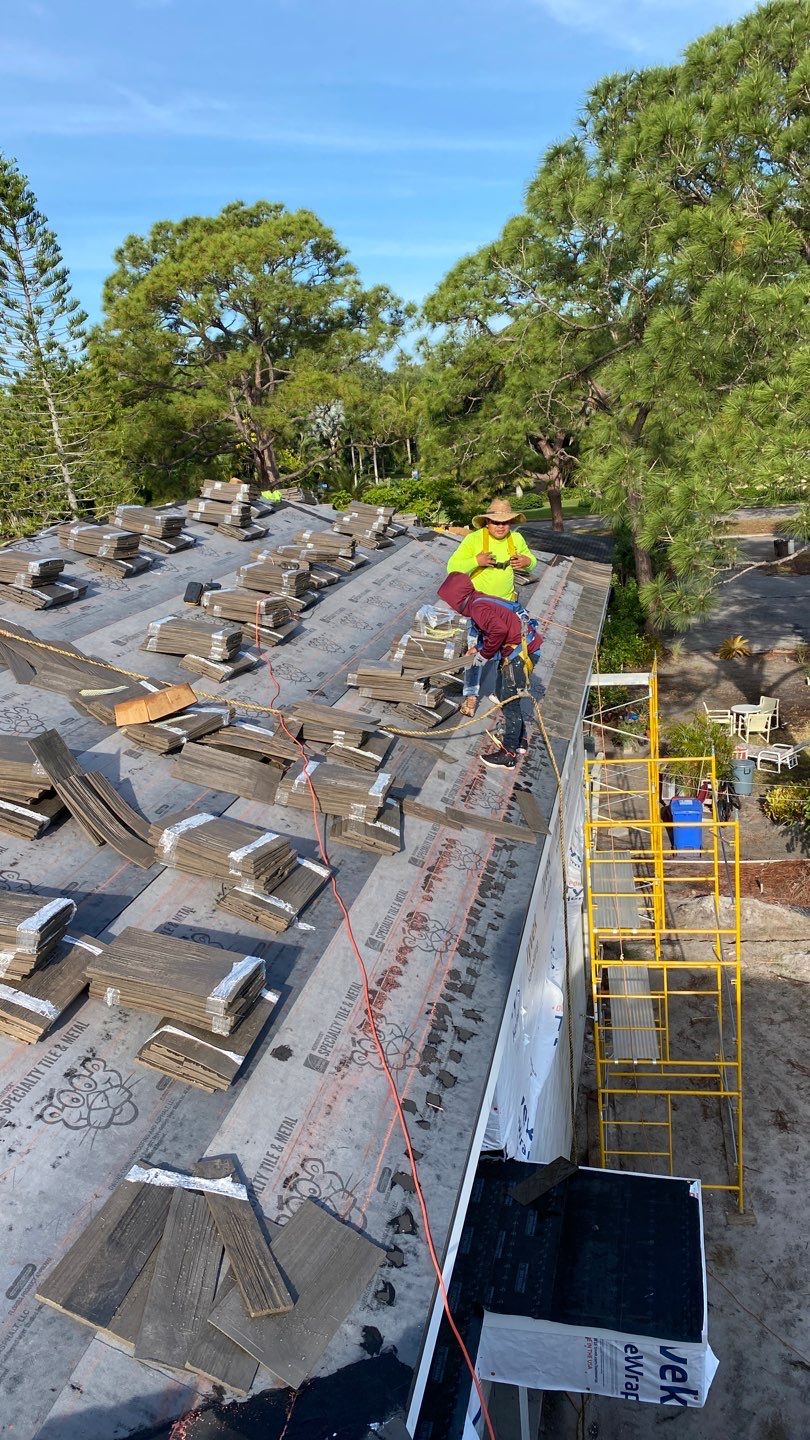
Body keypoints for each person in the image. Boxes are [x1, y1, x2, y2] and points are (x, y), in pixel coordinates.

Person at [437, 572, 542, 770]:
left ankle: (509, 754)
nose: (451, 607)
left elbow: (499, 631)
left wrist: (485, 654)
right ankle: (519, 740)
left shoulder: (478, 608)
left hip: (520, 654)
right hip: (518, 649)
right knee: (502, 693)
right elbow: (495, 628)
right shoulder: (479, 599)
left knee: (509, 701)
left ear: (458, 599)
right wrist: (478, 648)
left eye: (451, 603)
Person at [446, 498, 537, 715]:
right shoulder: (474, 540)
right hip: (481, 611)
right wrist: (475, 561)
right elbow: (452, 568)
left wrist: (527, 562)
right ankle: (470, 696)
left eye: (505, 522)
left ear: (511, 523)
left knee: (506, 652)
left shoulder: (516, 539)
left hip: (507, 607)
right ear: (487, 522)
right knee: (475, 654)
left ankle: (500, 691)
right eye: (496, 522)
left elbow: (532, 562)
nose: (500, 526)